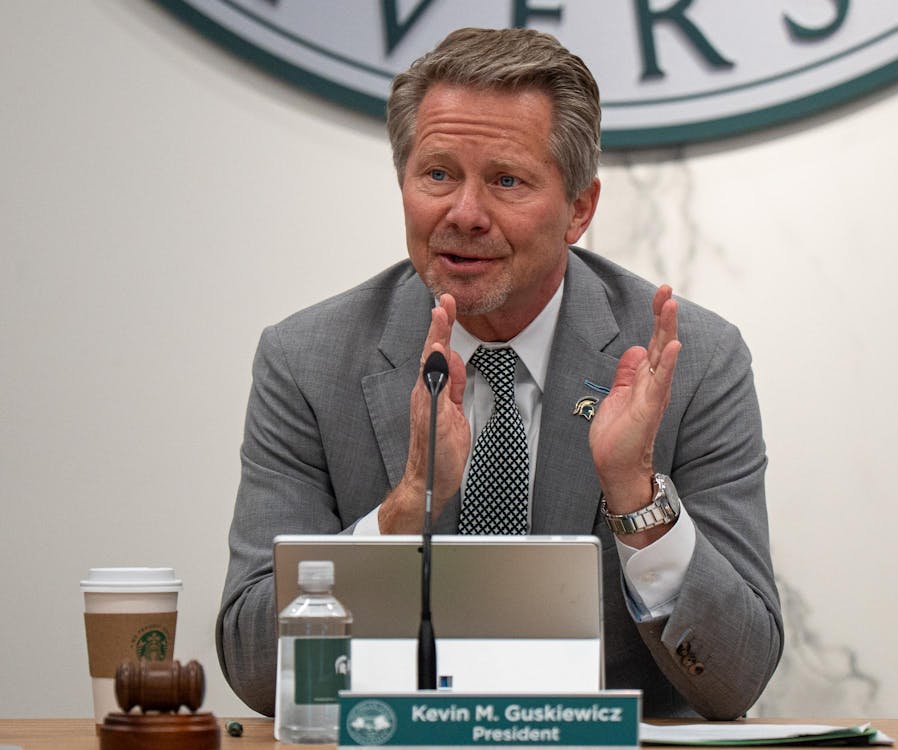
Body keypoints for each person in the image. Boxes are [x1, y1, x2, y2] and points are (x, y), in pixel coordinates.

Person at [217, 27, 782, 720]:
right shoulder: (308, 361)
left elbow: (739, 677)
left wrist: (634, 495)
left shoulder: (691, 362)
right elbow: (252, 666)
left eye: (506, 181)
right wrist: (407, 507)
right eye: (438, 175)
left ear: (580, 208)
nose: (464, 213)